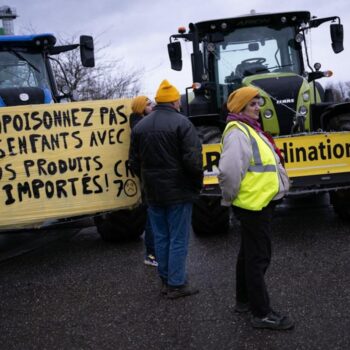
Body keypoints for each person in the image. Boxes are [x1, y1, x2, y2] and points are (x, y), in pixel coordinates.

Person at [218, 86, 294, 330]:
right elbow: (229, 172)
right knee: (258, 259)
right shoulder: (238, 132)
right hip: (254, 205)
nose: (258, 107)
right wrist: (228, 199)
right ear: (241, 107)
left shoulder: (248, 129)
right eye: (253, 104)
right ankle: (261, 313)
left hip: (258, 202)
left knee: (248, 255)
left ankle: (243, 301)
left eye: (258, 102)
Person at [129, 79, 203, 299]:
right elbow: (193, 161)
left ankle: (165, 279)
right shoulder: (182, 123)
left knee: (161, 237)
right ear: (173, 101)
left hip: (152, 192)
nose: (180, 103)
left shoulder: (140, 126)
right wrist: (196, 185)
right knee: (178, 238)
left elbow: (133, 161)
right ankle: (177, 284)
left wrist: (145, 181)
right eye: (178, 100)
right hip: (178, 191)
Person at [130, 96, 158, 267]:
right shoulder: (140, 127)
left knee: (153, 214)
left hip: (148, 176)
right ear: (141, 108)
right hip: (149, 177)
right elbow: (134, 159)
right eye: (148, 104)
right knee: (152, 216)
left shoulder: (140, 125)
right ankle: (151, 254)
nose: (152, 105)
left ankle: (153, 253)